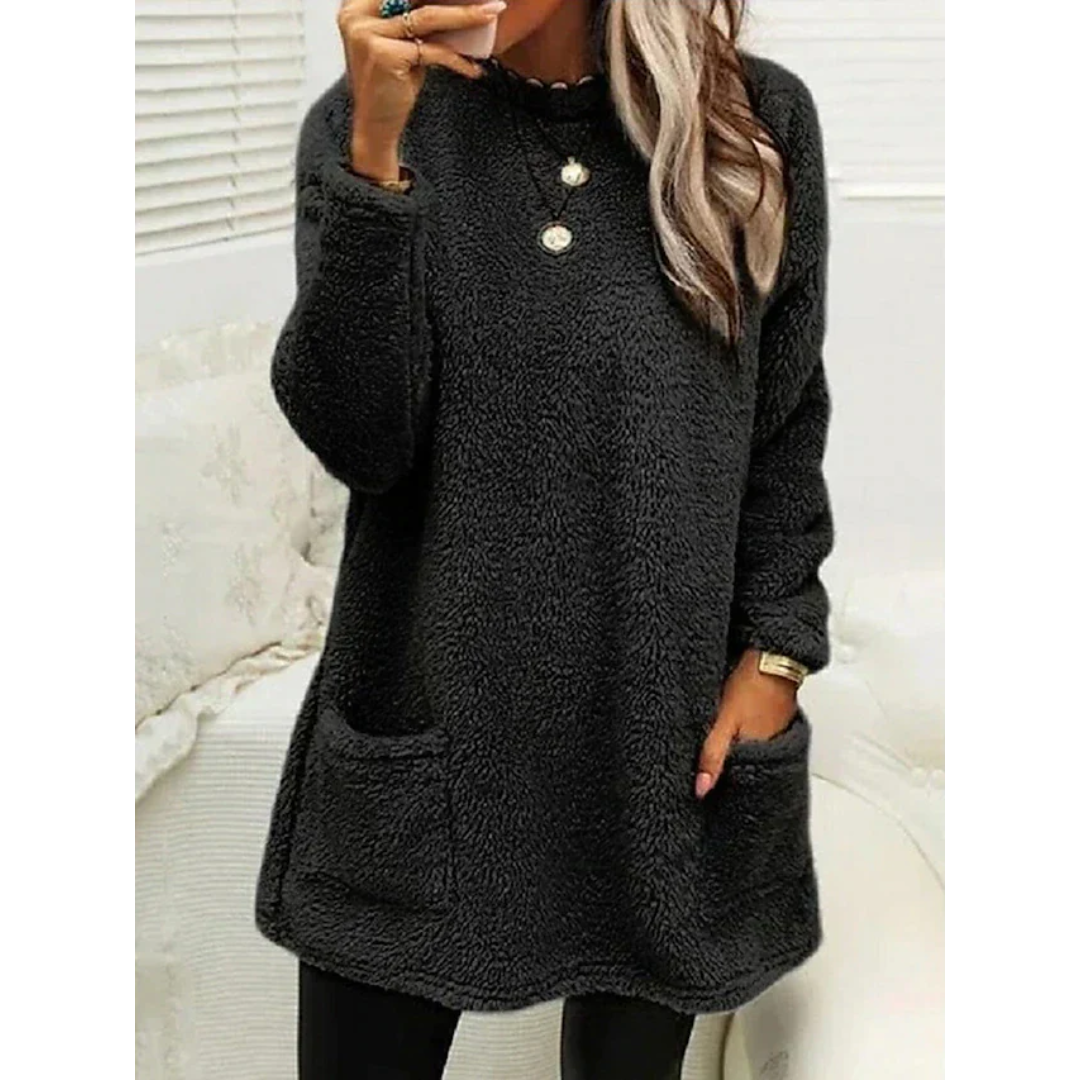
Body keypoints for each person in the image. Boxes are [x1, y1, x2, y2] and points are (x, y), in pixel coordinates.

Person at [255, 0, 835, 1076]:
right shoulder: (364, 124)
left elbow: (785, 422)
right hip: (425, 738)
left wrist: (777, 653)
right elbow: (362, 440)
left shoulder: (751, 122)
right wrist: (376, 161)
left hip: (656, 756)